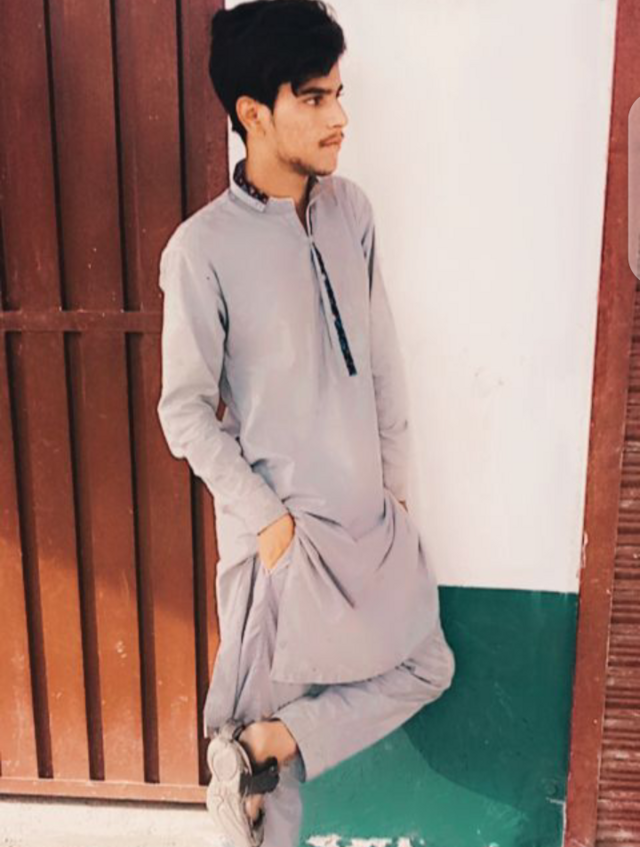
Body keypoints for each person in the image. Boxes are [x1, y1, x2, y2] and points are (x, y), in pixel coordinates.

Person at [156, 1, 456, 845]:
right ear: (254, 113)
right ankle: (258, 751)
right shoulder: (201, 249)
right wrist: (270, 524)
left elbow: (383, 364)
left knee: (427, 662)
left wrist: (395, 495)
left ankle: (271, 741)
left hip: (367, 525)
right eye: (315, 98)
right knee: (266, 808)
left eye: (338, 94)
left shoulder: (350, 212)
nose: (339, 117)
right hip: (281, 545)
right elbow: (183, 410)